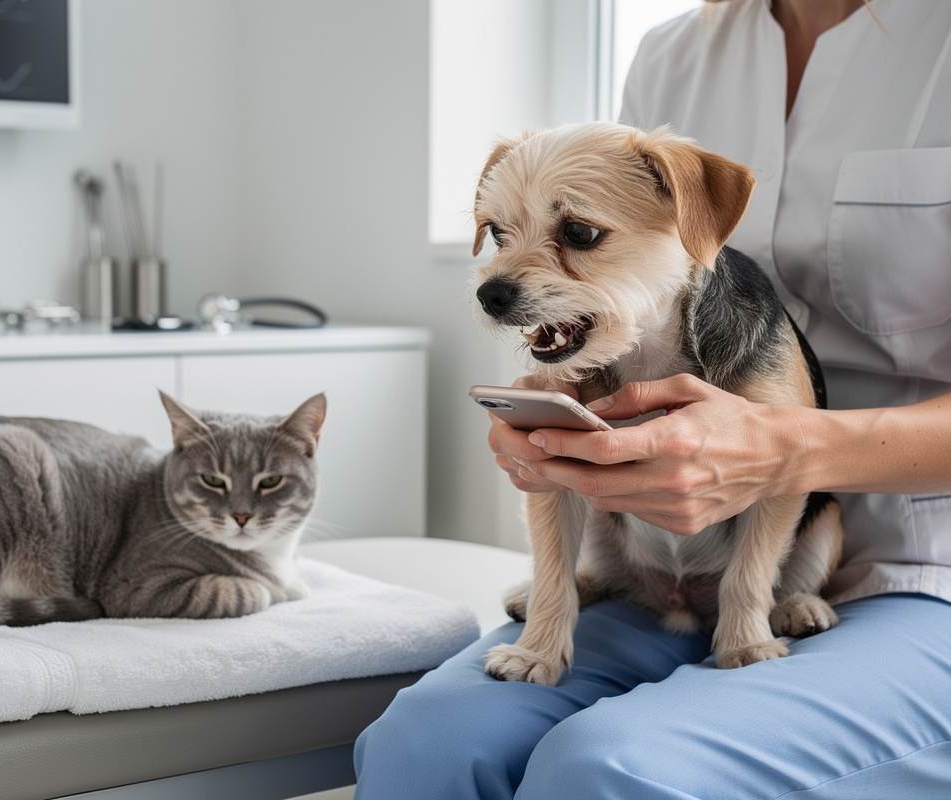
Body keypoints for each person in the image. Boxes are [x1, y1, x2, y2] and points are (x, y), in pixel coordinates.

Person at [353, 1, 951, 797]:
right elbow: (636, 296)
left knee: (608, 770)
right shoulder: (674, 53)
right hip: (659, 540)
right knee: (425, 745)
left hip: (918, 566)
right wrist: (563, 424)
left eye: (577, 234)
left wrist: (786, 450)